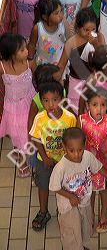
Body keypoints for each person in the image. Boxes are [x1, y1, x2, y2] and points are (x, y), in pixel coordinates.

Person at [49, 127, 107, 249]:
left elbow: (98, 167)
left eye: (80, 150)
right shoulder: (60, 167)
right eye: (71, 150)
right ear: (64, 147)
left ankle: (80, 246)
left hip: (84, 202)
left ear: (84, 145)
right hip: (68, 207)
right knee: (71, 232)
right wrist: (71, 197)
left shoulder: (87, 156)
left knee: (84, 227)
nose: (76, 154)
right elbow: (54, 187)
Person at [29, 81, 76, 231]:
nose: (50, 104)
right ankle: (43, 212)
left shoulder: (69, 118)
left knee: (64, 186)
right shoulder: (39, 118)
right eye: (46, 100)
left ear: (62, 99)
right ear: (41, 101)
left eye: (55, 100)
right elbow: (35, 138)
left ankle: (62, 211)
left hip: (65, 162)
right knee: (43, 186)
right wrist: (45, 157)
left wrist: (67, 160)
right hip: (44, 161)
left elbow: (74, 139)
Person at [77, 87, 107, 233]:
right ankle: (91, 213)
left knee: (105, 190)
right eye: (95, 105)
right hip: (88, 164)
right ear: (87, 105)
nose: (99, 109)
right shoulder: (81, 120)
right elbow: (77, 141)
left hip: (106, 163)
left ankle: (105, 212)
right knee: (90, 191)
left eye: (103, 105)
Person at [0, 33, 36, 178]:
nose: (26, 51)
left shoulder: (30, 63)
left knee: (32, 132)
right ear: (11, 54)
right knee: (15, 137)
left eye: (25, 48)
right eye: (22, 50)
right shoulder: (2, 67)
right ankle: (21, 164)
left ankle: (33, 158)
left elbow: (37, 78)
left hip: (30, 103)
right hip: (13, 108)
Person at [56, 7, 105, 113]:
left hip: (95, 84)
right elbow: (61, 65)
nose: (90, 33)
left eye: (93, 29)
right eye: (86, 30)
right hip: (76, 86)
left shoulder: (99, 37)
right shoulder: (70, 43)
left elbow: (104, 58)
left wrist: (95, 44)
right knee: (76, 113)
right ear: (78, 28)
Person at [28, 0, 68, 65]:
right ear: (45, 17)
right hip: (42, 64)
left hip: (59, 62)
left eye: (61, 11)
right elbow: (32, 44)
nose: (61, 15)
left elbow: (69, 40)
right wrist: (30, 59)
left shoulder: (63, 24)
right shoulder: (38, 28)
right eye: (56, 13)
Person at [28, 63, 61, 133]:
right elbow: (30, 122)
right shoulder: (36, 100)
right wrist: (32, 139)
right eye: (58, 81)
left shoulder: (62, 92)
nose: (62, 82)